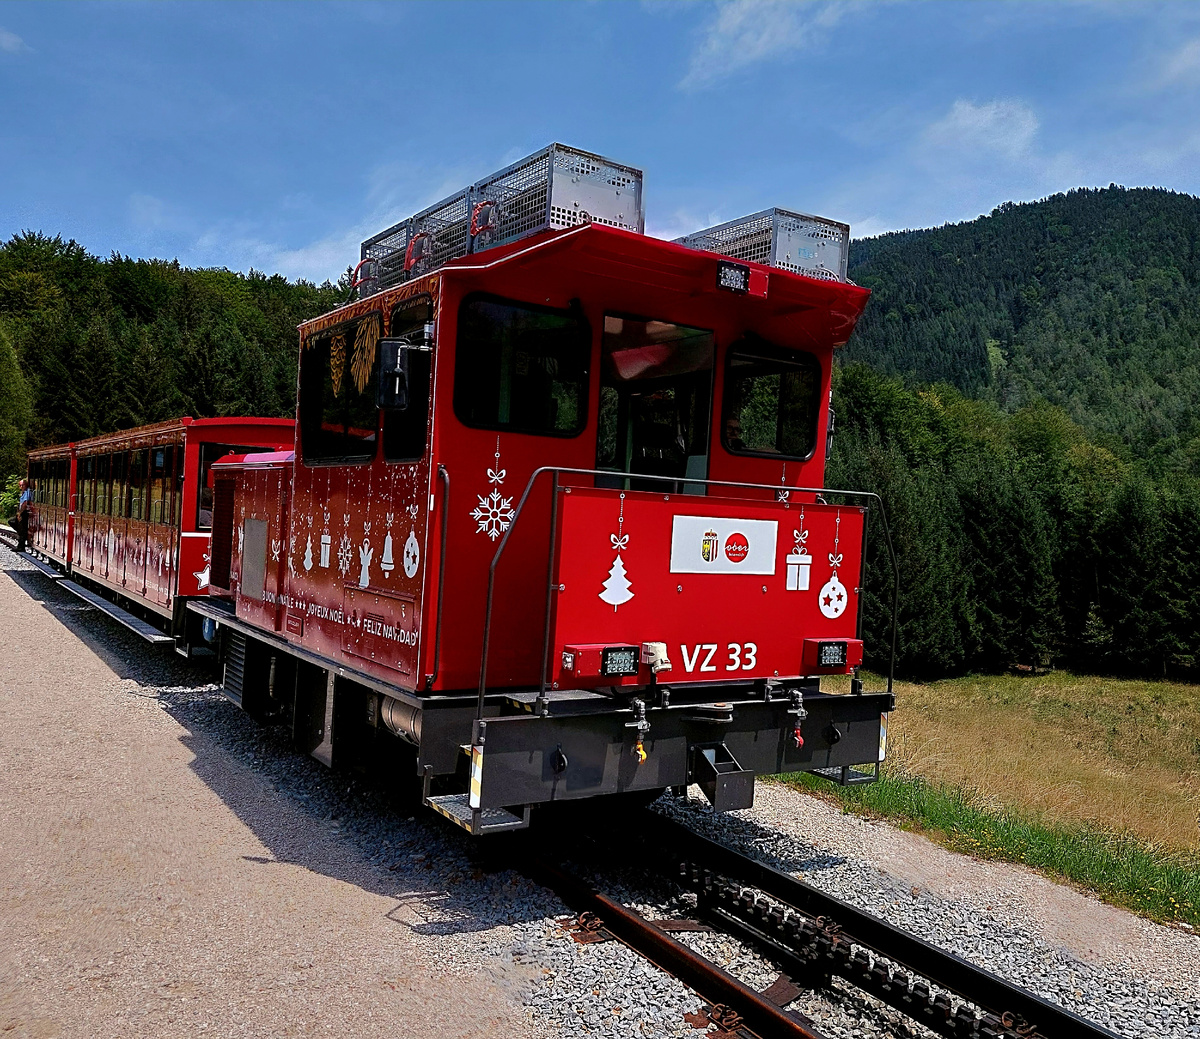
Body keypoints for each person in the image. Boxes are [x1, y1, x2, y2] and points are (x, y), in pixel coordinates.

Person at [14, 478, 32, 552]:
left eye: (23, 485)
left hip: (24, 513)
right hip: (22, 512)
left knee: (21, 528)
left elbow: (24, 504)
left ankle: (21, 546)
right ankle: (21, 538)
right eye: (20, 485)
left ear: (26, 485)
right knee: (16, 525)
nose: (21, 487)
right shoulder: (23, 493)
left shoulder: (27, 492)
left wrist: (19, 513)